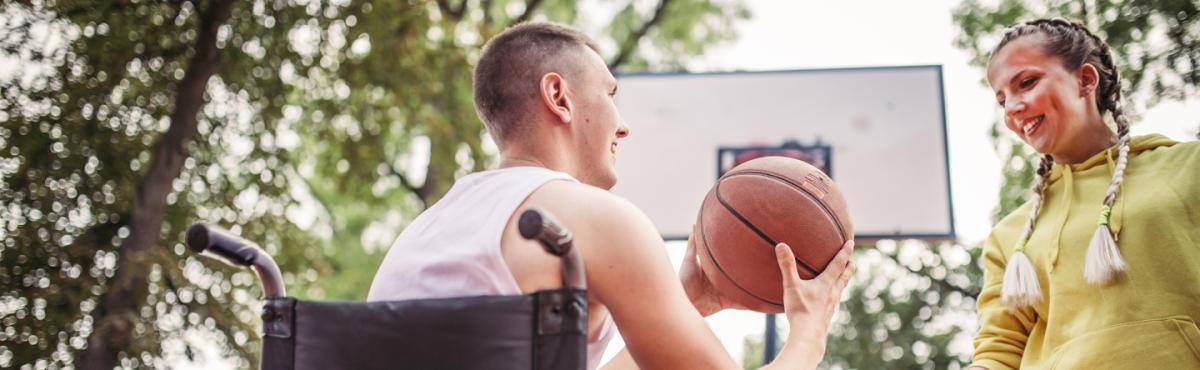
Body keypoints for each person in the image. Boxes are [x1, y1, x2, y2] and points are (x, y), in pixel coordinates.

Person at [366, 21, 855, 369]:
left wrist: (686, 304)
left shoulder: (422, 233)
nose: (623, 126)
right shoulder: (594, 221)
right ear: (559, 97)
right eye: (611, 95)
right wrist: (809, 335)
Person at [970, 18, 1200, 369]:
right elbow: (999, 351)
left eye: (1027, 83)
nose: (1013, 109)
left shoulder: (1188, 167)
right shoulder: (1010, 236)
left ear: (1086, 80)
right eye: (1002, 100)